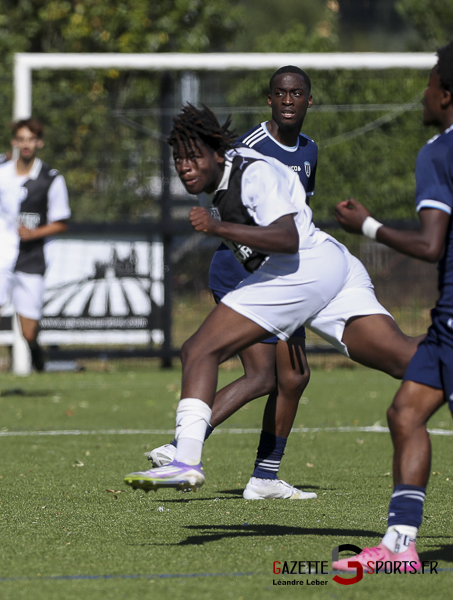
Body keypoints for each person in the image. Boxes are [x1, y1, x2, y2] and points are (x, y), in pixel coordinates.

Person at [123, 103, 420, 494]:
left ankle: (185, 460)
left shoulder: (252, 172)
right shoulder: (226, 177)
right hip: (331, 268)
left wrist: (217, 227)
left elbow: (286, 238)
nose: (185, 166)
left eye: (194, 157)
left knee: (199, 350)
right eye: (179, 159)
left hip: (302, 268)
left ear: (218, 153)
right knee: (406, 360)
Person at [145, 66, 320, 501]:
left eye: (296, 93)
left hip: (277, 268)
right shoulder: (249, 147)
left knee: (283, 378)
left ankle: (257, 473)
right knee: (276, 375)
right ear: (269, 99)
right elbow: (232, 209)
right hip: (242, 268)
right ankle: (194, 449)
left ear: (309, 101)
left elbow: (294, 217)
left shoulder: (310, 151)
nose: (288, 101)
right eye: (280, 93)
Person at [331, 42, 453, 574]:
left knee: (407, 413)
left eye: (429, 83)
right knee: (405, 412)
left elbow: (430, 246)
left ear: (446, 95)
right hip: (444, 324)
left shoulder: (438, 152)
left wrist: (369, 228)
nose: (422, 92)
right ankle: (401, 542)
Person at [0, 118, 71, 400]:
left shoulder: (51, 179)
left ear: (39, 143)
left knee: (28, 330)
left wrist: (34, 234)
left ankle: (34, 349)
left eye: (31, 139)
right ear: (14, 142)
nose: (26, 144)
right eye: (21, 139)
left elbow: (61, 222)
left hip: (31, 257)